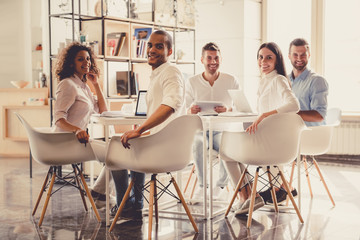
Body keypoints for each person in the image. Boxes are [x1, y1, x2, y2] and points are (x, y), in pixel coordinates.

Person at [110, 30, 186, 221]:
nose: (152, 49)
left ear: (170, 50)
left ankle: (124, 204)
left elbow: (171, 105)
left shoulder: (170, 71)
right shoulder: (158, 74)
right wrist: (141, 131)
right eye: (150, 45)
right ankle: (135, 204)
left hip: (165, 151)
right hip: (162, 145)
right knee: (131, 143)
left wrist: (141, 129)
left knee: (113, 148)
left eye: (159, 46)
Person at [223, 42, 300, 215]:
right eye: (260, 57)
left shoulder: (278, 79)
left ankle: (249, 196)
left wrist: (265, 115)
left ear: (277, 60)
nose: (263, 61)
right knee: (230, 151)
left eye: (268, 57)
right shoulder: (264, 81)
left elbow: (294, 105)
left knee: (225, 152)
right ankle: (254, 194)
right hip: (266, 138)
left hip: (269, 144)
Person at [53, 42, 109, 206]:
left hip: (78, 141)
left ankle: (100, 193)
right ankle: (104, 195)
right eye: (80, 59)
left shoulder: (83, 87)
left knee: (118, 153)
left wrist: (96, 84)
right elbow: (58, 118)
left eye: (88, 59)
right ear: (71, 63)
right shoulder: (68, 84)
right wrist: (77, 130)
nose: (87, 62)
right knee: (117, 154)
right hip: (65, 143)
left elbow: (103, 111)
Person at [185, 42, 239, 200]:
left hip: (220, 130)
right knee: (198, 143)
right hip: (199, 129)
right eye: (209, 58)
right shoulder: (192, 81)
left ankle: (220, 185)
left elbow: (240, 107)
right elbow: (184, 108)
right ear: (202, 60)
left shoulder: (231, 80)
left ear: (221, 59)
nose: (213, 61)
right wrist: (191, 110)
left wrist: (228, 109)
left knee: (227, 145)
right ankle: (203, 186)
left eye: (216, 58)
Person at [288, 38, 328, 127]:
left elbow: (319, 116)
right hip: (291, 132)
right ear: (289, 56)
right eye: (295, 55)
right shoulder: (284, 80)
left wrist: (289, 114)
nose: (299, 58)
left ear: (309, 55)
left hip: (310, 134)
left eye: (303, 55)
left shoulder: (317, 81)